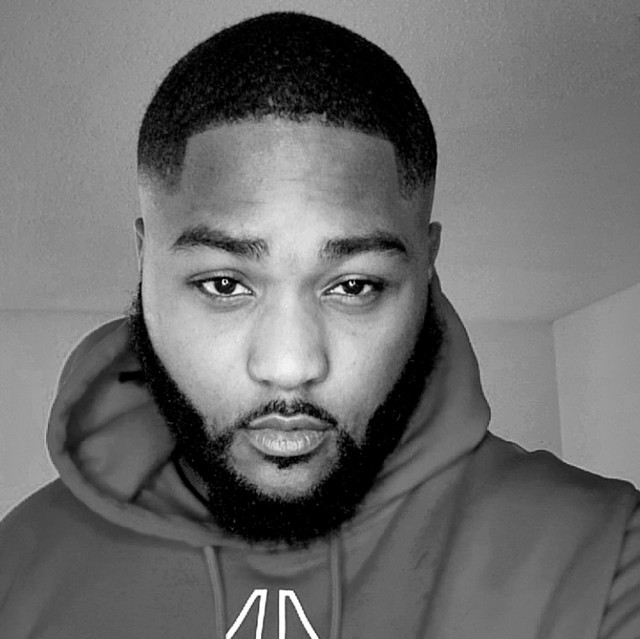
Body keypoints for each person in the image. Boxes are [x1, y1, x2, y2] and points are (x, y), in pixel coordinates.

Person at [1, 11, 638, 639]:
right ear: (145, 264)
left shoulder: (604, 556)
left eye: (353, 286)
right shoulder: (14, 576)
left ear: (426, 267)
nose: (290, 366)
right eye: (224, 285)